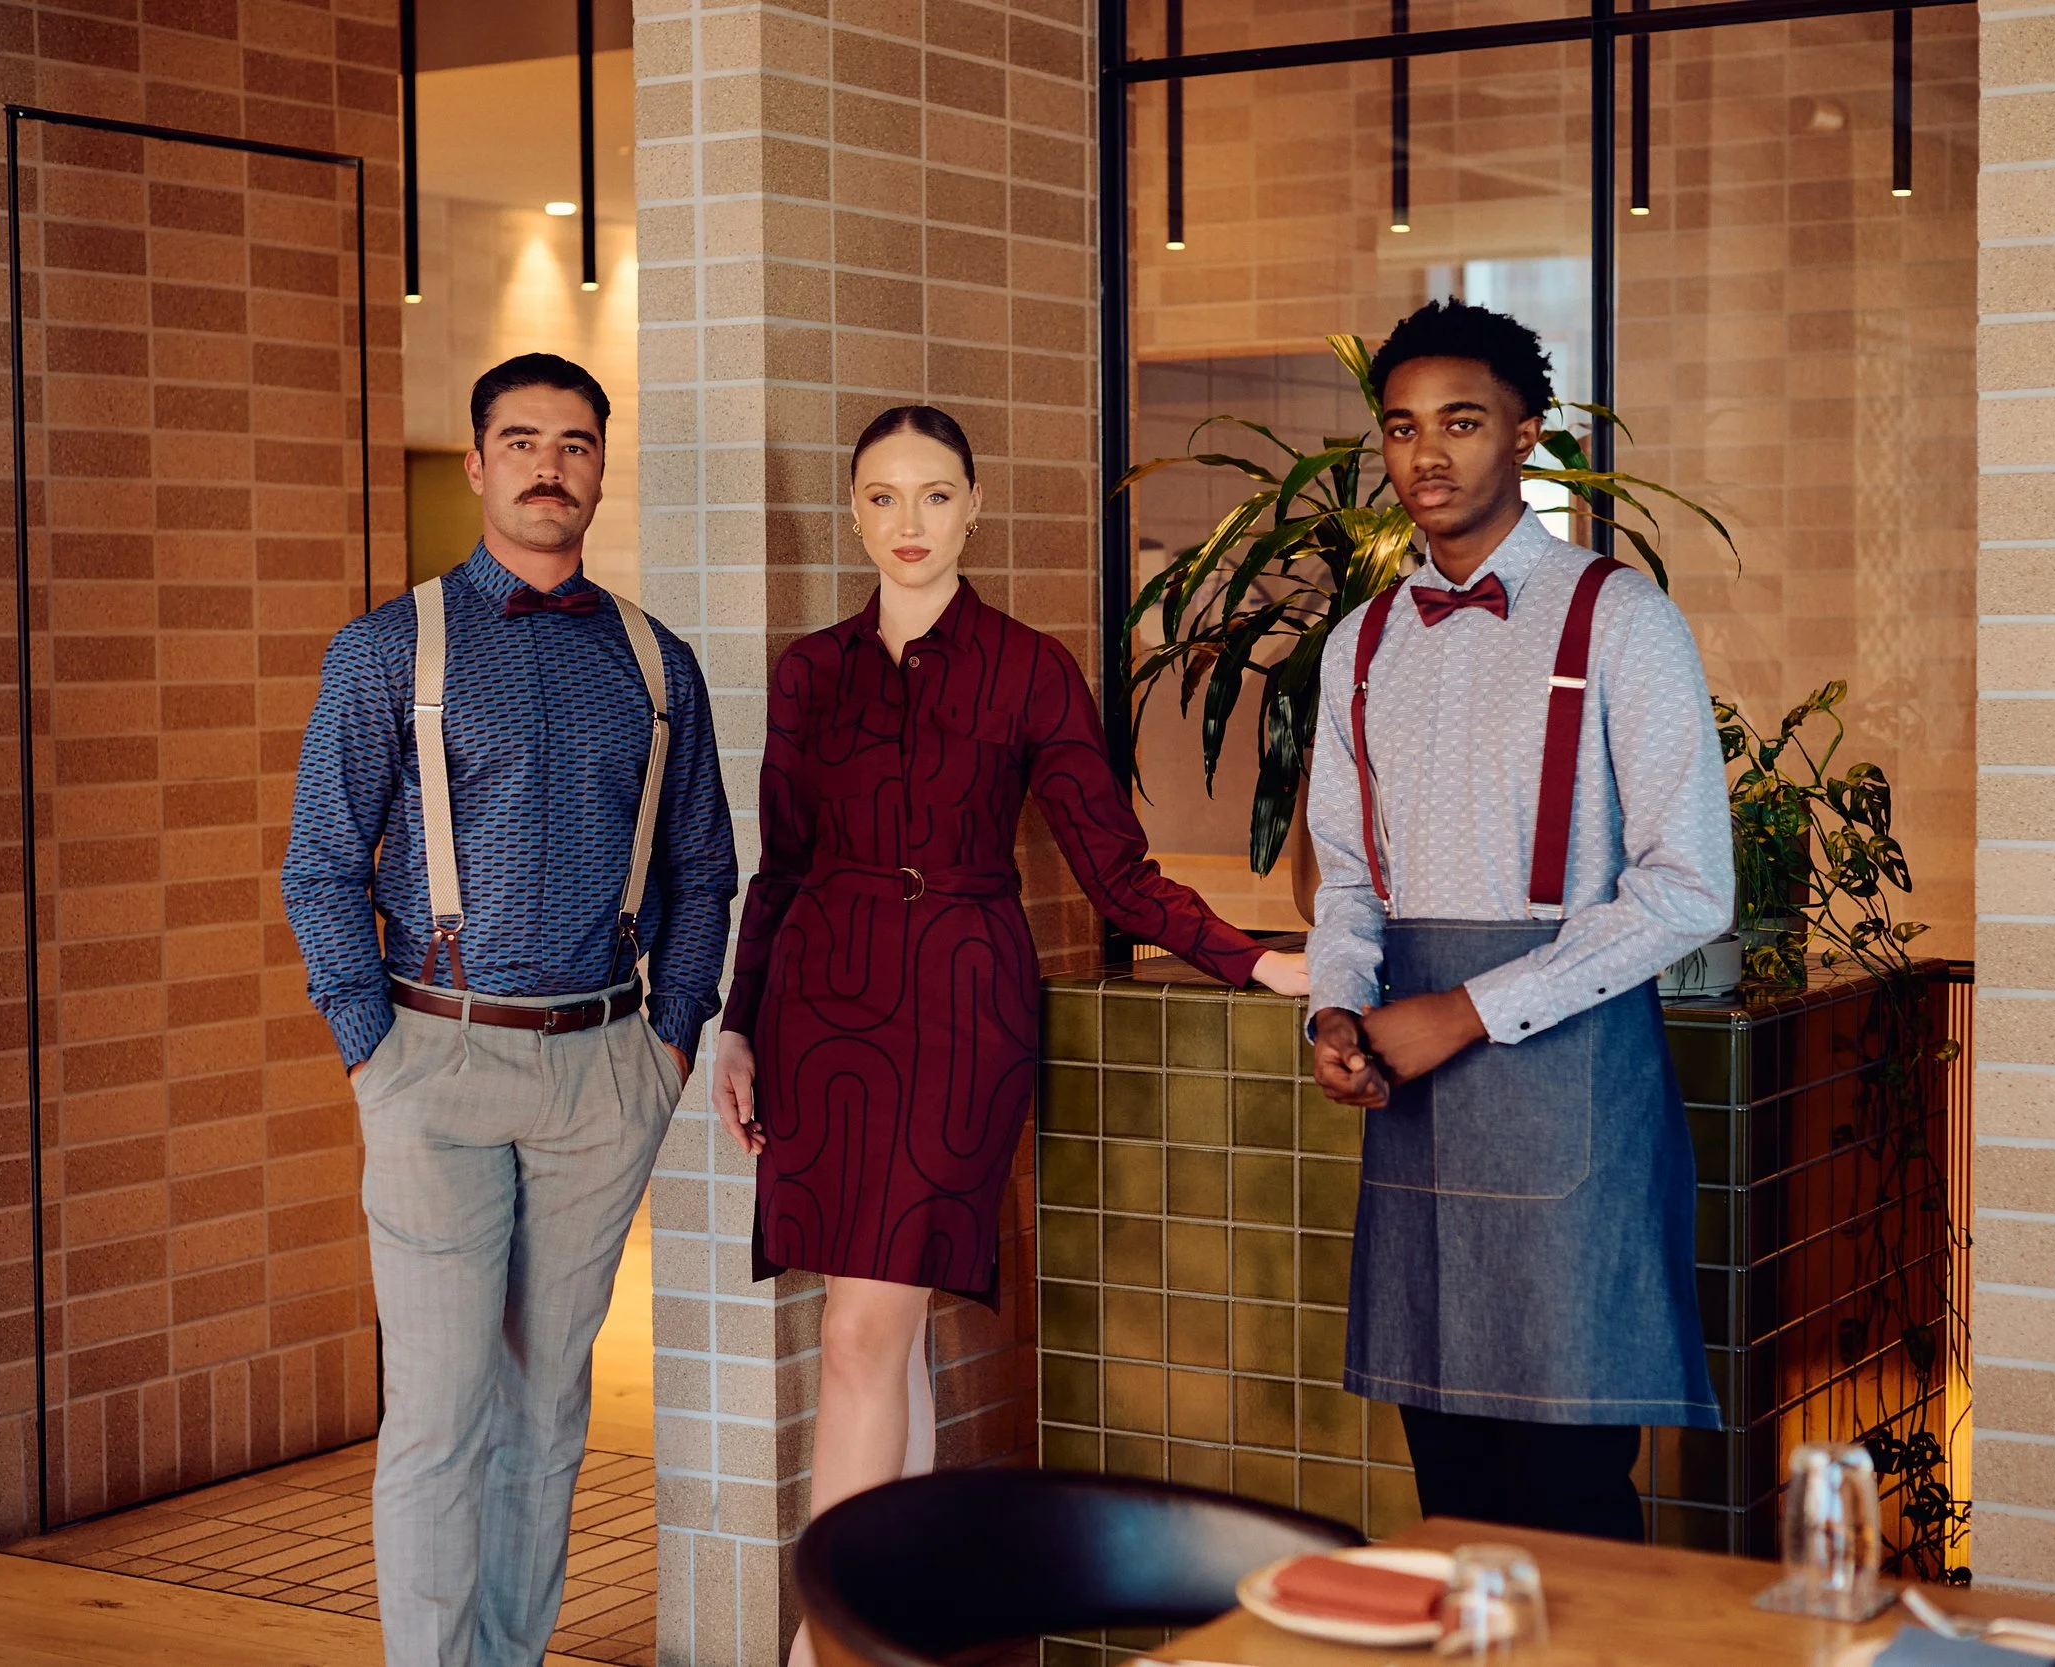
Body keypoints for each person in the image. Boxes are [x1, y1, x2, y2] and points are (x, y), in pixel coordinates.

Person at [711, 405, 1309, 1665]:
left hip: (955, 1009)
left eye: (935, 497)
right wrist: (736, 1022)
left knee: (865, 1331)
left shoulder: (1031, 666)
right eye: (883, 497)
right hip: (818, 1009)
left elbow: (1113, 866)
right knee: (890, 1332)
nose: (909, 524)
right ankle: (892, 1633)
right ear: (855, 511)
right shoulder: (808, 669)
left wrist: (1250, 957)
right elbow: (780, 865)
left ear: (974, 508)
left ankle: (820, 1649)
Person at [282, 352, 736, 1667]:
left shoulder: (661, 664)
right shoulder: (388, 649)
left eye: (578, 443)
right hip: (434, 1062)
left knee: (546, 1406)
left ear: (601, 466)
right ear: (479, 463)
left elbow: (705, 865)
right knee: (439, 1406)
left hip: (606, 1073)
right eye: (524, 439)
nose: (553, 463)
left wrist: (669, 1040)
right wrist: (376, 1055)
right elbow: (321, 868)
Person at [1304, 301, 1732, 1541]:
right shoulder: (1360, 641)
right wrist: (1341, 1005)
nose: (1426, 453)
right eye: (1399, 427)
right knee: (1450, 1498)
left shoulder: (1623, 619)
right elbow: (1345, 874)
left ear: (1527, 437)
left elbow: (1688, 884)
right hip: (1411, 1103)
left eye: (1461, 421)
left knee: (1571, 1498)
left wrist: (1463, 1010)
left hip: (1571, 1093)